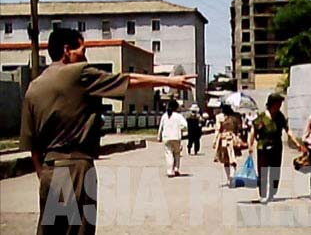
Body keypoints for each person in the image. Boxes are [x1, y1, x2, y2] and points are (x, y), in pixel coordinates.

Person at [20, 28, 196, 235]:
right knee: (80, 230)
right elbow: (127, 80)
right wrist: (169, 81)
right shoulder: (78, 73)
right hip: (77, 167)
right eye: (82, 50)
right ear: (67, 50)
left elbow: (32, 143)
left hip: (49, 171)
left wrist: (43, 174)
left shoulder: (34, 86)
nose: (85, 56)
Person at [249, 93, 305, 203]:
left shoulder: (280, 117)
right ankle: (263, 194)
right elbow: (253, 131)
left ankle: (272, 192)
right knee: (263, 171)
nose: (279, 106)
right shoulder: (261, 117)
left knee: (275, 170)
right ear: (271, 104)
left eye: (280, 104)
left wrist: (297, 143)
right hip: (263, 147)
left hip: (276, 146)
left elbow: (287, 130)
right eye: (277, 104)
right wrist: (250, 145)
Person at [213, 104, 242, 186]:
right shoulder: (236, 117)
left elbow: (218, 130)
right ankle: (232, 175)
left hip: (223, 139)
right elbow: (240, 128)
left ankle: (229, 178)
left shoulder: (219, 117)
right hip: (233, 139)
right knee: (233, 159)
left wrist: (215, 141)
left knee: (225, 160)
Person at [158, 99, 187, 176]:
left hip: (166, 138)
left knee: (169, 154)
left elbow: (161, 127)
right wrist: (180, 129)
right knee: (177, 153)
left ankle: (170, 171)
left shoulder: (164, 116)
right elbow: (185, 126)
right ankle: (176, 168)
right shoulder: (179, 116)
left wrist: (159, 136)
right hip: (176, 137)